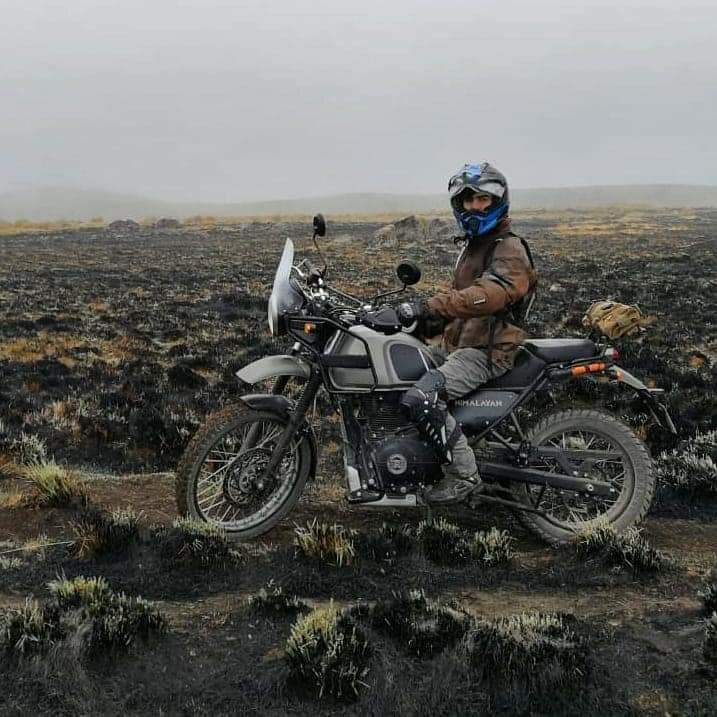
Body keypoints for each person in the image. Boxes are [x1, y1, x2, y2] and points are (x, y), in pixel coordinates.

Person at [397, 161, 537, 504]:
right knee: (401, 368)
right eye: (468, 200)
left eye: (482, 200)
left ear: (497, 201)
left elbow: (492, 293)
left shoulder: (508, 248)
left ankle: (464, 475)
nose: (475, 207)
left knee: (424, 397)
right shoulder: (476, 245)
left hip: (487, 351)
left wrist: (432, 305)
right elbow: (460, 307)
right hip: (461, 344)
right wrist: (411, 320)